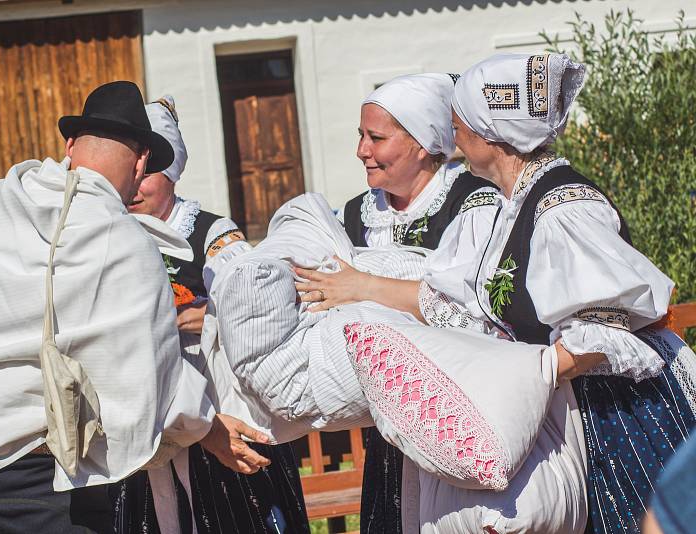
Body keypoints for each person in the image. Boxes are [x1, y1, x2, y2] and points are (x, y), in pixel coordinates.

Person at [301, 53, 696, 533]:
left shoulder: (563, 207)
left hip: (610, 413)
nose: (455, 139)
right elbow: (456, 305)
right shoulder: (511, 205)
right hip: (560, 404)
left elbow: (603, 329)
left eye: (460, 126)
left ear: (492, 133)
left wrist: (525, 375)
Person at [0, 81, 268, 534]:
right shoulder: (119, 237)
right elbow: (148, 377)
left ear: (70, 144)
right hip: (23, 484)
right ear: (142, 160)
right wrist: (208, 428)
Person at [112, 96, 310, 534]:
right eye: (133, 174)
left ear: (174, 173)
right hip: (151, 421)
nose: (138, 186)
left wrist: (208, 316)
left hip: (216, 414)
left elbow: (251, 305)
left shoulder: (212, 233)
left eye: (151, 176)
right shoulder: (111, 232)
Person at [330, 73, 499, 533]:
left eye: (376, 137)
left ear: (423, 144)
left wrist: (362, 285)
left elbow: (471, 311)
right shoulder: (353, 216)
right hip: (391, 427)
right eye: (360, 136)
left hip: (461, 414)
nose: (361, 150)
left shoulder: (472, 204)